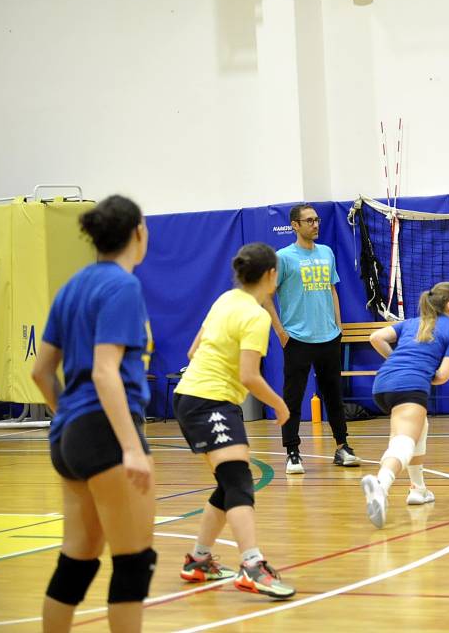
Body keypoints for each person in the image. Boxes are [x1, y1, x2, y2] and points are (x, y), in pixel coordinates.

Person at [31, 195, 156, 633]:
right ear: (138, 232)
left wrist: (71, 418)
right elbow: (105, 371)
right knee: (133, 561)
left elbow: (40, 371)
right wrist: (131, 449)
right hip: (106, 432)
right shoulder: (124, 286)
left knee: (78, 558)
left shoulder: (73, 286)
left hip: (69, 434)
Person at [173, 243, 295, 598]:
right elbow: (249, 376)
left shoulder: (225, 300)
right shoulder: (256, 316)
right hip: (209, 401)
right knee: (239, 481)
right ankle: (252, 566)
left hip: (195, 396)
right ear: (271, 275)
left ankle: (198, 561)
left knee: (230, 484)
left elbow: (193, 351)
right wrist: (280, 405)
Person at [360, 282, 449, 529]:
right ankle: (381, 484)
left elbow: (375, 337)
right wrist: (419, 372)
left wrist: (398, 362)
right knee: (404, 442)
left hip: (382, 383)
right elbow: (442, 376)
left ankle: (418, 490)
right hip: (410, 386)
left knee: (419, 428)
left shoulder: (412, 322)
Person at [264, 203, 358, 474]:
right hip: (297, 339)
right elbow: (266, 296)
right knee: (293, 399)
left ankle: (342, 447)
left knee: (334, 396)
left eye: (316, 220)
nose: (315, 225)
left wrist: (338, 325)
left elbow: (332, 289)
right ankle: (292, 453)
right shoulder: (283, 257)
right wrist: (281, 333)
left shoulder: (326, 252)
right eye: (309, 221)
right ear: (295, 225)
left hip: (328, 337)